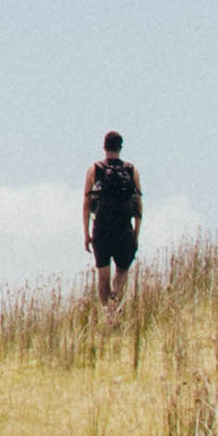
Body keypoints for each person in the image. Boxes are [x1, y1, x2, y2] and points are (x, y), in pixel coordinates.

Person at [84, 130, 142, 312]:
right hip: (124, 227)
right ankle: (115, 305)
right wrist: (136, 233)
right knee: (122, 270)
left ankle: (106, 312)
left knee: (103, 275)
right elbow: (138, 204)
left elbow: (86, 203)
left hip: (101, 228)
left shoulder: (95, 169)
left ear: (104, 146)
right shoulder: (131, 170)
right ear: (120, 147)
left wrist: (86, 233)